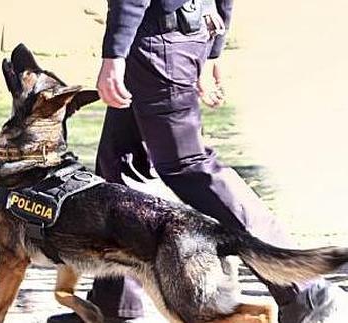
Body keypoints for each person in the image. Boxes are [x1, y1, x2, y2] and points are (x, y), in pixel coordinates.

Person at [48, 0, 345, 322]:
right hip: (171, 34)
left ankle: (308, 292)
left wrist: (115, 53)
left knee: (189, 167)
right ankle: (111, 307)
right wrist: (213, 46)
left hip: (156, 41)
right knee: (118, 165)